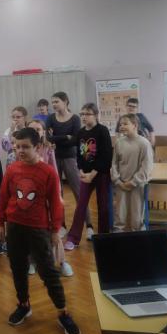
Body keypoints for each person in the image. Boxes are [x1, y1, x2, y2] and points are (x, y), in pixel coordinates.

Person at [0, 127, 81, 334]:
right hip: (14, 227)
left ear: (38, 147)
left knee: (48, 272)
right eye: (17, 147)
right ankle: (23, 305)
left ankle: (63, 312)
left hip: (38, 229)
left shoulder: (48, 172)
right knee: (18, 268)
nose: (20, 151)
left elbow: (55, 204)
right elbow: (4, 197)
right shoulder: (12, 170)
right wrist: (0, 222)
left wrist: (55, 230)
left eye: (25, 147)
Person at [64, 103, 112, 250]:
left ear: (96, 115)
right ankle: (73, 238)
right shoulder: (81, 132)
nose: (84, 117)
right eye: (82, 114)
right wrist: (80, 171)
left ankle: (103, 237)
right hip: (85, 175)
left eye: (87, 114)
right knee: (81, 205)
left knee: (103, 206)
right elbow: (79, 154)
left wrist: (93, 173)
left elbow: (106, 155)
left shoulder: (102, 130)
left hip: (100, 174)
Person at [29, 119, 74, 277]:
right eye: (32, 129)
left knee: (52, 231)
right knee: (32, 231)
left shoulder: (48, 148)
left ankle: (61, 262)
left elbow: (54, 172)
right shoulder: (24, 149)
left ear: (43, 132)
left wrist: (57, 195)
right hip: (30, 197)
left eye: (38, 129)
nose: (35, 132)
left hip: (46, 195)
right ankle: (32, 261)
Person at [46, 92, 92, 238]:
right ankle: (61, 226)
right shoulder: (50, 118)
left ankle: (89, 226)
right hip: (54, 158)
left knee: (79, 192)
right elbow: (48, 138)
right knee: (57, 193)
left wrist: (57, 139)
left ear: (65, 101)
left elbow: (75, 140)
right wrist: (66, 136)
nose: (54, 104)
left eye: (57, 101)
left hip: (70, 158)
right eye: (53, 102)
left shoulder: (75, 118)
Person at [111, 114, 153, 232]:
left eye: (125, 124)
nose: (122, 126)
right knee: (120, 214)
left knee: (137, 216)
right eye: (120, 124)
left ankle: (137, 236)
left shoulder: (144, 143)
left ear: (135, 125)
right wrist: (118, 181)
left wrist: (133, 182)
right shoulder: (119, 143)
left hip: (137, 186)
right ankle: (119, 236)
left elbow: (146, 167)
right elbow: (114, 164)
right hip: (121, 184)